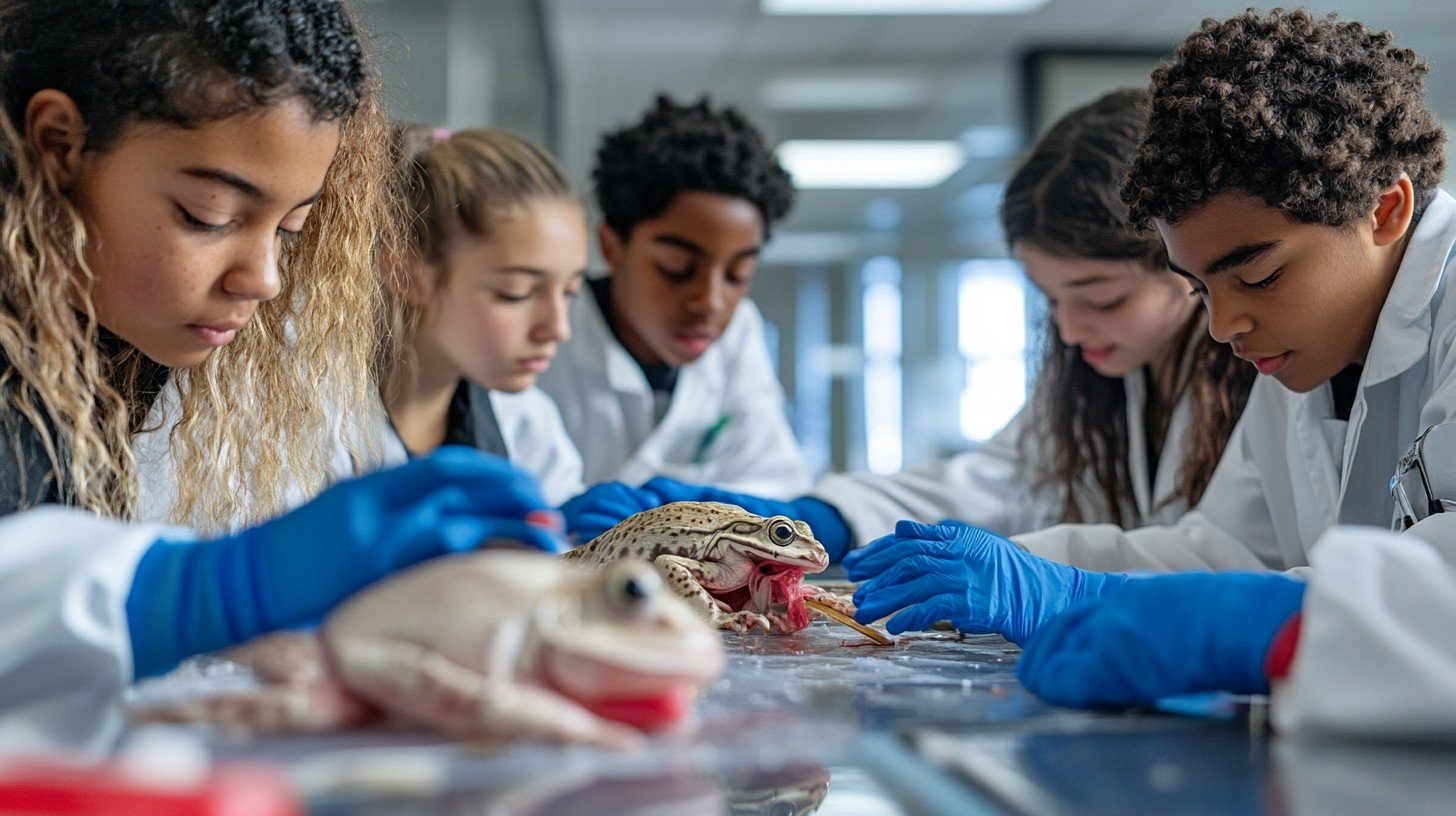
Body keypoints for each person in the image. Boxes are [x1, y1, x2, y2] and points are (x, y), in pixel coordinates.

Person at [0, 0, 557, 755]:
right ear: (60, 142)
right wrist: (197, 591)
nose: (263, 278)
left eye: (292, 228)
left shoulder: (120, 343)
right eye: (210, 214)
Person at [844, 9, 1456, 643]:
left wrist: (1092, 598)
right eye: (1199, 288)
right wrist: (1040, 574)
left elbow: (1438, 602)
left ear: (1385, 210)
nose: (1222, 327)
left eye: (1259, 276)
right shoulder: (1302, 349)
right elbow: (1229, 553)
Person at [560, 90, 1254, 565]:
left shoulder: (1265, 368)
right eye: (1049, 301)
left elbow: (1236, 557)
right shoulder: (1099, 382)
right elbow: (983, 483)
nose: (1070, 330)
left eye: (1099, 297)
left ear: (1180, 262)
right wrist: (817, 514)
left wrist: (1047, 580)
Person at [537, 95, 810, 498]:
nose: (710, 302)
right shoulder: (542, 336)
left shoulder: (739, 332)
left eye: (738, 274)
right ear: (612, 248)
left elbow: (775, 481)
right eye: (676, 267)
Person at [1016, 516, 1456, 743]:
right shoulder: (1278, 388)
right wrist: (1052, 575)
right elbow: (1224, 539)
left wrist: (1281, 621)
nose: (1222, 335)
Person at [359, 124, 586, 505]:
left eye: (570, 293)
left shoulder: (527, 424)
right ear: (407, 275)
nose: (558, 329)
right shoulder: (310, 423)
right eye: (516, 294)